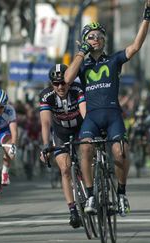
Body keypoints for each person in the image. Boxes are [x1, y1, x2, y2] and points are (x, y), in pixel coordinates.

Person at [64, 0, 150, 217]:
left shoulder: (113, 60)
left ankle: (122, 193)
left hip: (113, 114)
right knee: (85, 148)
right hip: (92, 118)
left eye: (99, 36)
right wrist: (81, 52)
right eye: (91, 36)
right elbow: (67, 79)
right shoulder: (83, 65)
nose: (96, 39)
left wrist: (147, 17)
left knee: (120, 150)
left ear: (104, 39)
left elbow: (135, 46)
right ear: (85, 41)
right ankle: (90, 195)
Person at [39, 64, 86, 228]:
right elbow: (45, 123)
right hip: (61, 133)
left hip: (80, 128)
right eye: (56, 83)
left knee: (87, 155)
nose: (60, 86)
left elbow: (85, 113)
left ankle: (92, 191)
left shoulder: (77, 89)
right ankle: (73, 210)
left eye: (63, 82)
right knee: (65, 169)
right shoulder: (46, 96)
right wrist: (45, 145)